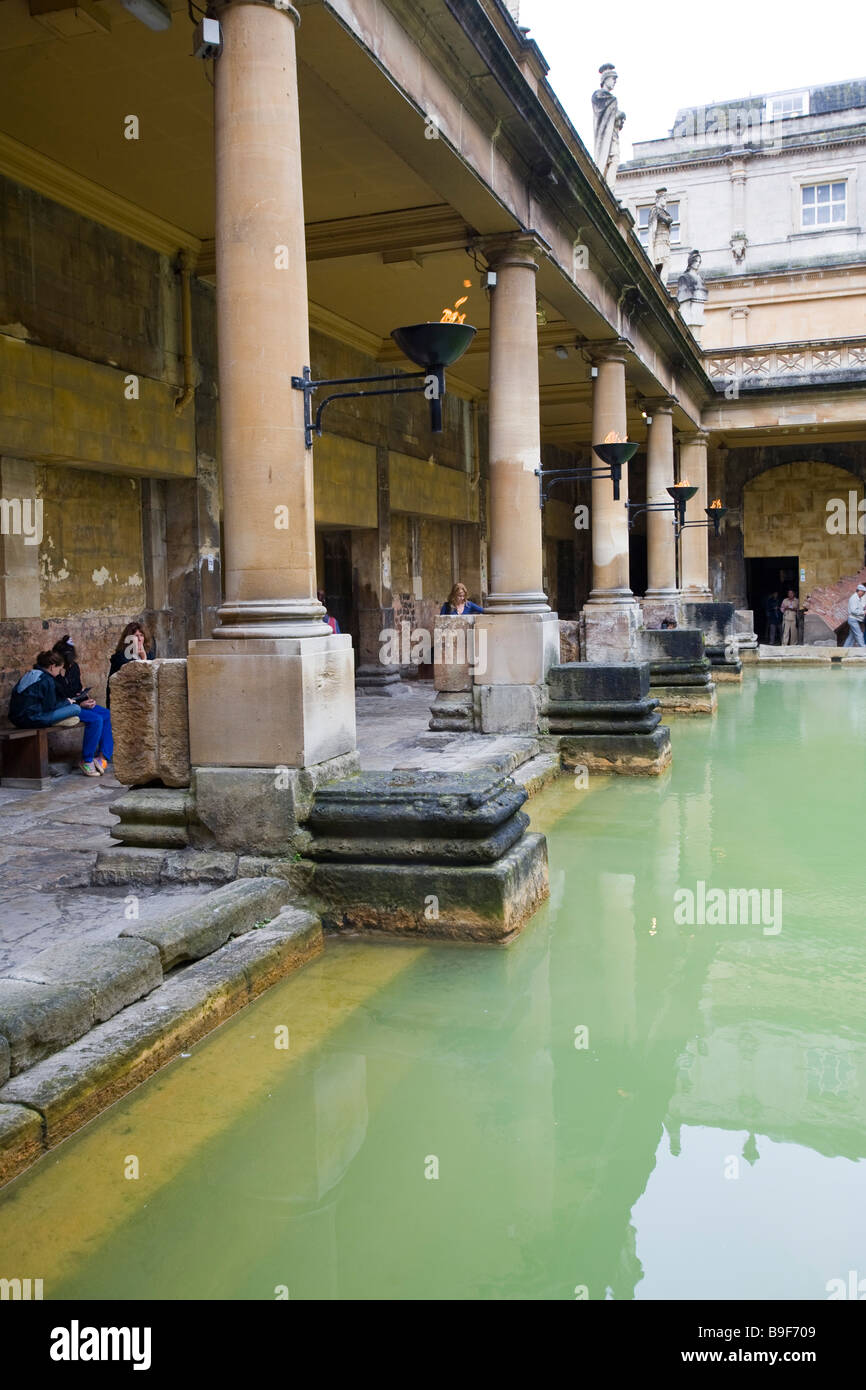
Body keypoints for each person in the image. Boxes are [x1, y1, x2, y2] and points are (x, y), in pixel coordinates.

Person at [9, 651, 113, 777]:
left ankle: (101, 758)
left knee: (102, 714)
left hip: (19, 717)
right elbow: (50, 707)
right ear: (52, 666)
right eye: (59, 668)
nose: (59, 672)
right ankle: (87, 760)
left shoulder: (31, 674)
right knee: (78, 710)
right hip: (34, 718)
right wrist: (69, 703)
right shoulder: (47, 679)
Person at [107, 621, 150, 708]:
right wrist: (144, 660)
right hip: (123, 698)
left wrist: (144, 657)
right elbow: (135, 676)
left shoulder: (149, 653)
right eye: (136, 636)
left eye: (141, 635)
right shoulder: (121, 656)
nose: (139, 639)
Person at [51, 635, 86, 701]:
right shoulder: (53, 672)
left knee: (105, 711)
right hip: (67, 706)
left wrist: (84, 696)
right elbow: (60, 697)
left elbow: (78, 687)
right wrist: (61, 678)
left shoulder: (74, 666)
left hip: (76, 702)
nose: (70, 665)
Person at [843, 583, 866, 647]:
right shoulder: (854, 598)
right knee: (859, 634)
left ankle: (845, 649)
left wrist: (863, 607)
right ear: (860, 591)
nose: (864, 594)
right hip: (853, 619)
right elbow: (853, 611)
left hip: (854, 619)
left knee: (851, 637)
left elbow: (857, 608)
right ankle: (863, 649)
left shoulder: (858, 598)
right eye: (863, 592)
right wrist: (863, 612)